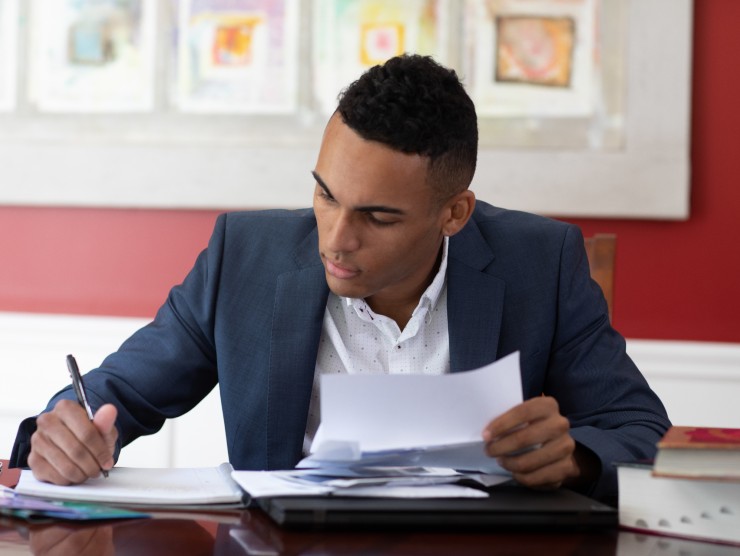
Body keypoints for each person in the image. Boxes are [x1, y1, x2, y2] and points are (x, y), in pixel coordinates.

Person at [11, 54, 669, 502]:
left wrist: (577, 456)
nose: (335, 239)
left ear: (454, 213)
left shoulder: (542, 262)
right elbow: (117, 392)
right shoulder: (245, 254)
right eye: (326, 195)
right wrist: (64, 429)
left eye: (378, 217)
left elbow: (640, 431)